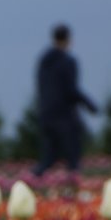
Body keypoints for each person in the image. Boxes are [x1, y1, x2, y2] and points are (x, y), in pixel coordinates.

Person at [33, 24, 97, 175]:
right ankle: (73, 188)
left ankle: (34, 182)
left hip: (46, 112)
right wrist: (89, 104)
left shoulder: (44, 61)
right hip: (64, 115)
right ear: (68, 39)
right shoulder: (68, 62)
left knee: (48, 157)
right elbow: (71, 90)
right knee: (72, 158)